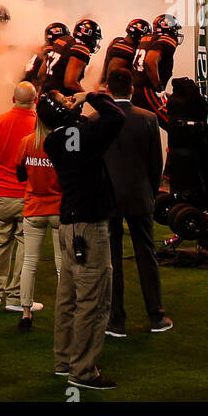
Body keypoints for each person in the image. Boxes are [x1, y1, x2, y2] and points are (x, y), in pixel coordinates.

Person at [42, 86, 124, 390]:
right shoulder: (81, 136)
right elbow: (115, 117)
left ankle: (64, 361)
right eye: (65, 100)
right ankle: (84, 371)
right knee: (93, 301)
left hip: (69, 226)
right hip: (89, 227)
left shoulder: (54, 140)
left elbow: (85, 128)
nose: (70, 99)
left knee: (68, 299)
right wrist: (91, 95)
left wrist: (78, 108)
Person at [103, 67, 170, 339]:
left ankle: (115, 320)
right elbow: (157, 163)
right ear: (132, 89)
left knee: (112, 259)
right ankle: (156, 316)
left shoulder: (97, 119)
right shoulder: (148, 119)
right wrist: (150, 191)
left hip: (108, 197)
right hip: (140, 195)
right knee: (146, 255)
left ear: (108, 90)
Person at [0, 81, 37, 312]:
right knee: (24, 247)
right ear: (35, 99)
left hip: (2, 195)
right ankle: (15, 298)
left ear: (13, 99)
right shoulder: (40, 125)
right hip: (28, 196)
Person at [13, 105, 62, 332]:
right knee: (62, 266)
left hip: (34, 207)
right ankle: (65, 311)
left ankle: (25, 312)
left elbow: (20, 174)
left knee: (29, 263)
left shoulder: (27, 142)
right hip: (59, 209)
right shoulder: (63, 143)